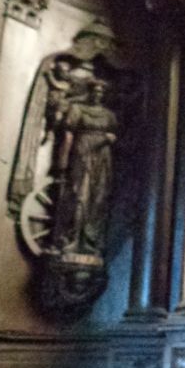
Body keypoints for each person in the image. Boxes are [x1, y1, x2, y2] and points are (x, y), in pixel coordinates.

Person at [51, 79, 117, 256]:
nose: (98, 94)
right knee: (80, 193)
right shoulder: (77, 110)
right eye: (95, 91)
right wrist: (62, 160)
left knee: (99, 196)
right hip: (83, 152)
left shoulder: (109, 115)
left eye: (101, 92)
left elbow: (117, 134)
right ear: (89, 92)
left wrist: (110, 139)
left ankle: (91, 240)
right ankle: (72, 237)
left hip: (103, 156)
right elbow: (68, 134)